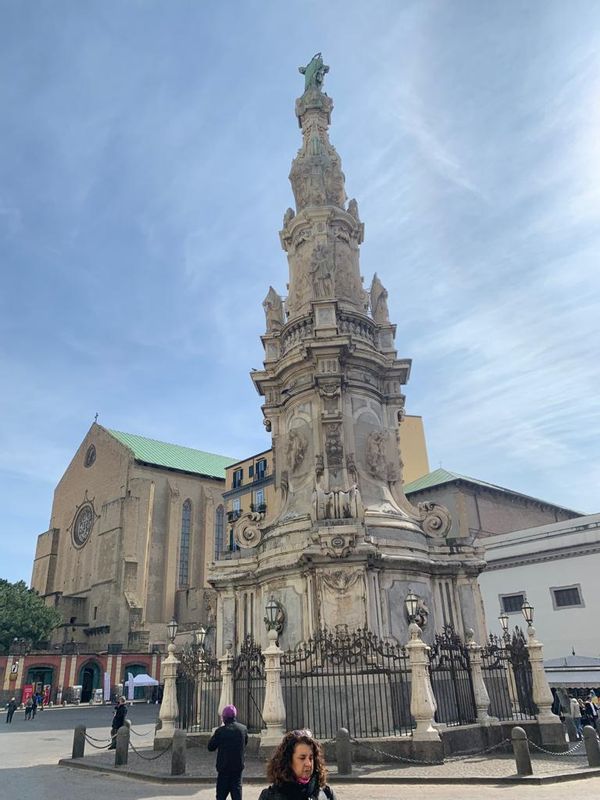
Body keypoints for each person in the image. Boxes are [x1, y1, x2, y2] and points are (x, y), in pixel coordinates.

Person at [258, 729, 336, 800]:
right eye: (302, 758)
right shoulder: (270, 797)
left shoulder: (326, 794)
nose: (308, 764)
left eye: (311, 758)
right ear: (288, 761)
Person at [207, 704, 248, 800]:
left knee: (221, 796)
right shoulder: (243, 729)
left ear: (224, 718)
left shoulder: (220, 731)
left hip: (224, 768)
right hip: (237, 768)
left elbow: (210, 747)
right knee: (237, 796)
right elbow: (245, 743)